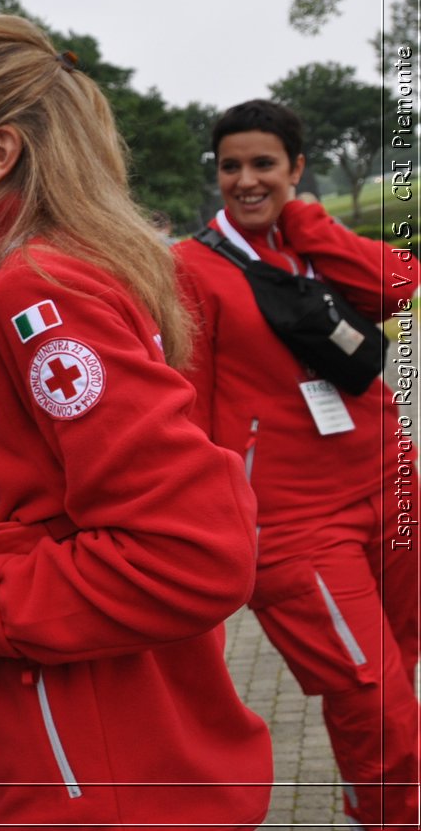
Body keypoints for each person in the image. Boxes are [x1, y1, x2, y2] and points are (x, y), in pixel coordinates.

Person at [0, 15, 272, 828]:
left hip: (105, 771)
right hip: (125, 742)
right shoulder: (60, 275)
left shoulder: (37, 293)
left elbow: (189, 550)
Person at [174, 99, 418, 830]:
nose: (245, 180)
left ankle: (373, 805)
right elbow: (186, 402)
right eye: (230, 166)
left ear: (296, 168)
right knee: (372, 692)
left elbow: (397, 285)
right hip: (293, 524)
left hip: (390, 483)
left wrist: (310, 224)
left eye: (263, 164)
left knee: (401, 666)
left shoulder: (312, 243)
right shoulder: (191, 266)